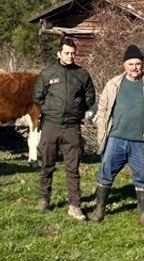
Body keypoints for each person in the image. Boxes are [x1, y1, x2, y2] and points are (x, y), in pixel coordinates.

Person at [91, 44, 144, 226]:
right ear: (124, 65)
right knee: (106, 172)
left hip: (140, 141)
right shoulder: (114, 84)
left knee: (142, 175)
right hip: (115, 138)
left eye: (138, 64)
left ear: (142, 64)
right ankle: (100, 209)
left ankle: (143, 214)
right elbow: (101, 110)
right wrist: (103, 128)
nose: (135, 67)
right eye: (131, 64)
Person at [32, 36, 96, 220]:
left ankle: (75, 205)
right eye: (67, 53)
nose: (70, 56)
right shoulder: (47, 73)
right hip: (51, 125)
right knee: (47, 164)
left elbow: (90, 96)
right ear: (59, 53)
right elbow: (38, 96)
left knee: (73, 168)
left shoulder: (82, 74)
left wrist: (78, 109)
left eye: (73, 53)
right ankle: (44, 198)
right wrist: (49, 110)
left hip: (72, 127)